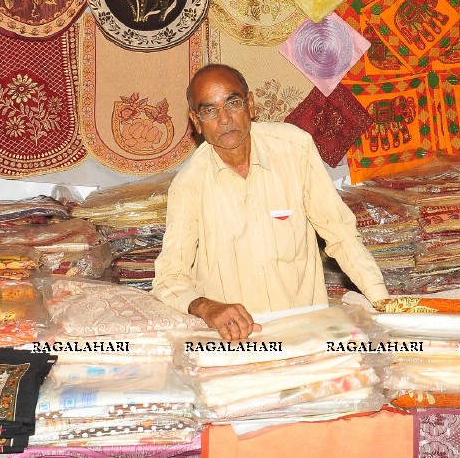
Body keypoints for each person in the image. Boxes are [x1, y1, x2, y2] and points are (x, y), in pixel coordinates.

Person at [153, 64, 389, 340]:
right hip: (238, 338)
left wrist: (381, 303)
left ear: (250, 105)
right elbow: (168, 279)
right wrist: (208, 307)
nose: (225, 119)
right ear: (196, 121)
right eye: (209, 111)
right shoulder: (189, 185)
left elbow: (341, 234)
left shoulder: (295, 149)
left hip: (306, 329)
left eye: (233, 103)